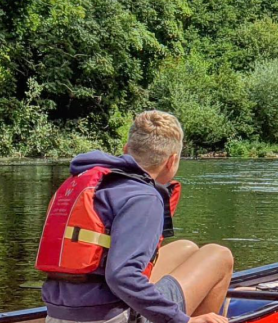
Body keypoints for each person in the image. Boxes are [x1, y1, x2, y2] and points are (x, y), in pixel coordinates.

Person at [38, 110, 232, 323]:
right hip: (112, 317)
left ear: (126, 150)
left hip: (60, 313)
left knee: (186, 248)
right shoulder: (144, 197)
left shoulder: (92, 182)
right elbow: (121, 276)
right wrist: (182, 320)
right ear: (172, 161)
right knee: (219, 255)